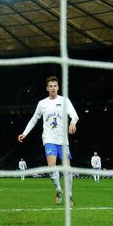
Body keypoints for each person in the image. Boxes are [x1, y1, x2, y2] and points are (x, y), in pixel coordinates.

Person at [18, 76, 79, 205]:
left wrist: (73, 122)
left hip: (63, 141)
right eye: (50, 86)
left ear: (58, 87)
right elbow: (34, 119)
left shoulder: (65, 101)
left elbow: (75, 115)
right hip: (49, 139)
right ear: (47, 88)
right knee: (52, 166)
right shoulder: (42, 103)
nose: (53, 88)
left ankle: (69, 195)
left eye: (55, 86)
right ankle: (58, 190)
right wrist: (24, 133)